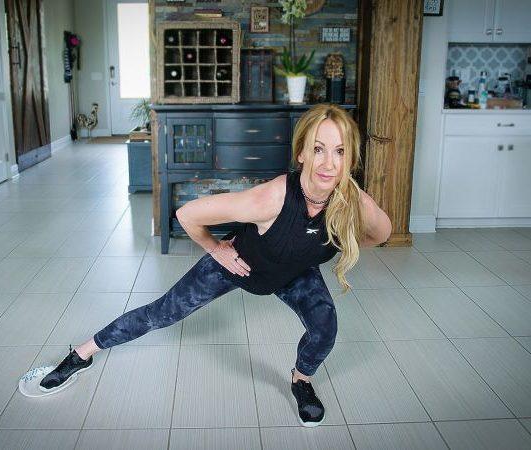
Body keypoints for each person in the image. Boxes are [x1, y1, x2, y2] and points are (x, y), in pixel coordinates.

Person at [39, 103, 392, 427]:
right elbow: (187, 214)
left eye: (340, 151)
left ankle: (301, 380)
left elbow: (381, 233)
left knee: (325, 328)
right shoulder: (269, 199)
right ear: (301, 153)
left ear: (350, 157)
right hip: (239, 264)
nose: (329, 164)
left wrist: (332, 241)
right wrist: (215, 248)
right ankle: (82, 353)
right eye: (318, 149)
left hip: (294, 273)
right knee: (161, 313)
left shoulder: (353, 202)